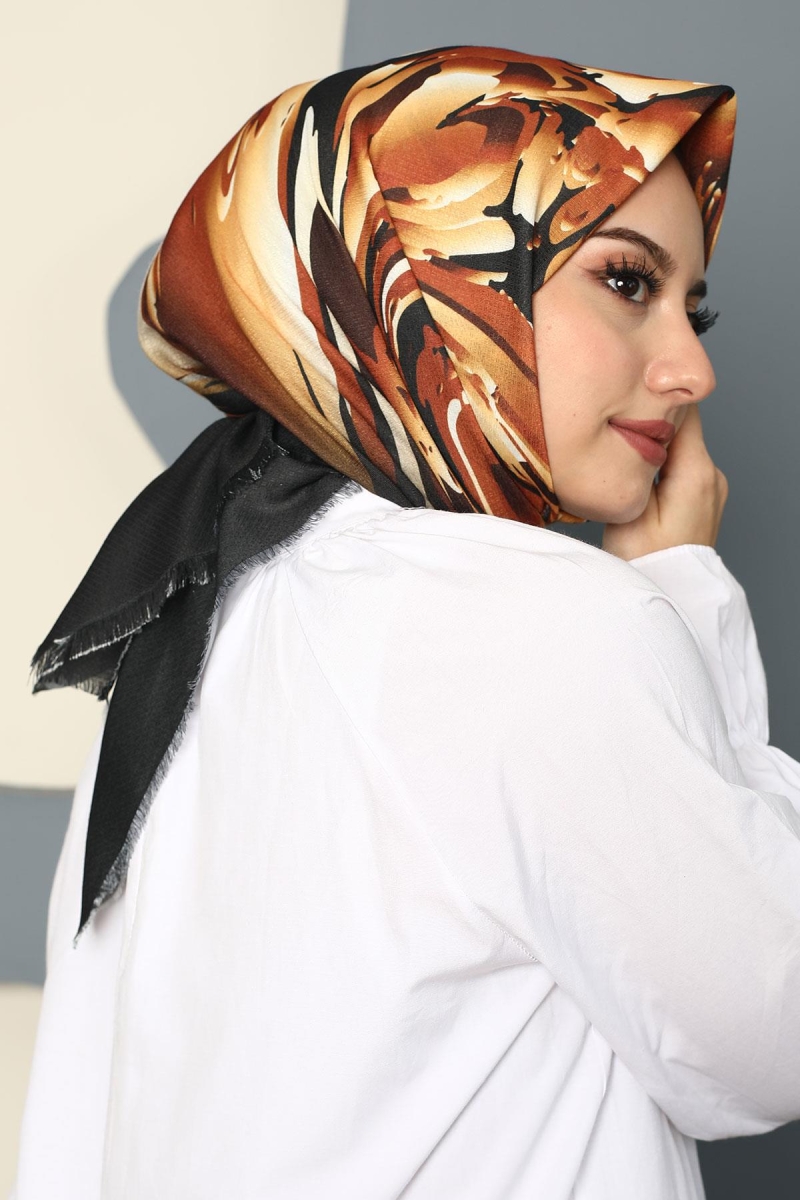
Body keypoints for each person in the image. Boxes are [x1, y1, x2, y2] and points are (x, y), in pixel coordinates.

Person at [13, 45, 800, 1200]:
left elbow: (93, 1110)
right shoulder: (554, 627)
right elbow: (769, 1036)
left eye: (694, 308)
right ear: (424, 272)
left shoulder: (190, 608)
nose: (690, 370)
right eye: (627, 283)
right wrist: (685, 592)